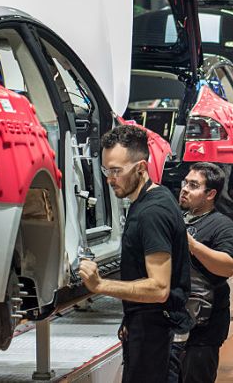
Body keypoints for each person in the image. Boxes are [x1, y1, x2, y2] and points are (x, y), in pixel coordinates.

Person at [78, 124, 191, 383]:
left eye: (117, 171)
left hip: (156, 335)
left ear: (141, 168)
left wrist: (100, 285)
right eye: (107, 170)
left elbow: (159, 288)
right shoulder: (153, 198)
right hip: (148, 327)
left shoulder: (152, 213)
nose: (109, 178)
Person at [171, 162, 233, 383]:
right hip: (175, 319)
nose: (184, 188)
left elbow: (228, 266)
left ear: (210, 194)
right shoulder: (178, 218)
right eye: (185, 182)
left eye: (193, 185)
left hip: (204, 327)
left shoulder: (222, 226)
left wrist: (192, 245)